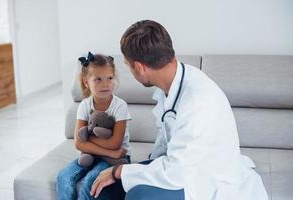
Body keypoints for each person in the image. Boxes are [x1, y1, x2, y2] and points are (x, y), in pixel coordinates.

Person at [90, 20, 268, 200]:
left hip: (204, 180)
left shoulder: (197, 101)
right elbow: (166, 143)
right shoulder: (172, 82)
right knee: (105, 189)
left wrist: (120, 171)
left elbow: (178, 172)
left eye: (128, 65)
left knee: (138, 196)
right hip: (181, 165)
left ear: (140, 67)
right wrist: (125, 172)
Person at [56, 52, 131, 200]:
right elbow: (78, 143)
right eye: (98, 79)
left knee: (90, 182)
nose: (105, 84)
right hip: (91, 156)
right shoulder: (84, 105)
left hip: (117, 159)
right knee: (63, 177)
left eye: (110, 78)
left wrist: (89, 139)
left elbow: (115, 143)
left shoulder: (120, 106)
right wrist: (109, 151)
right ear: (86, 82)